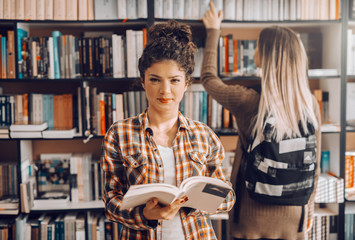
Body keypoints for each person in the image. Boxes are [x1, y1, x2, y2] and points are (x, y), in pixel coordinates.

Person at [101, 19, 235, 240]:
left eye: (174, 80)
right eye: (155, 80)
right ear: (143, 81)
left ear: (187, 83)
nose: (165, 91)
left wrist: (195, 202)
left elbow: (227, 198)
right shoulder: (119, 134)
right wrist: (145, 215)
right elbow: (110, 201)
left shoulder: (205, 135)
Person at [201, 2, 321, 240]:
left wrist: (214, 30)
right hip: (295, 216)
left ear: (265, 56)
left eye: (257, 46)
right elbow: (314, 166)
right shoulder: (310, 105)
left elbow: (208, 79)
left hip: (249, 216)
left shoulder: (248, 101)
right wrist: (309, 210)